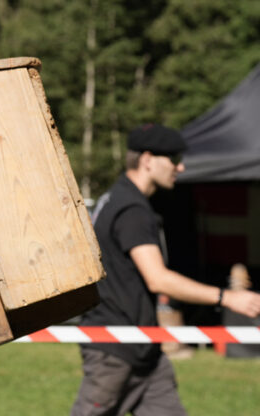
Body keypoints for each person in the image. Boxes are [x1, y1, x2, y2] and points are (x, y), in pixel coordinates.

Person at [72, 124, 260, 415]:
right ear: (148, 160)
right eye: (174, 158)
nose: (181, 167)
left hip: (144, 348)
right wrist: (227, 297)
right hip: (115, 348)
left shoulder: (117, 198)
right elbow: (157, 278)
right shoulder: (131, 209)